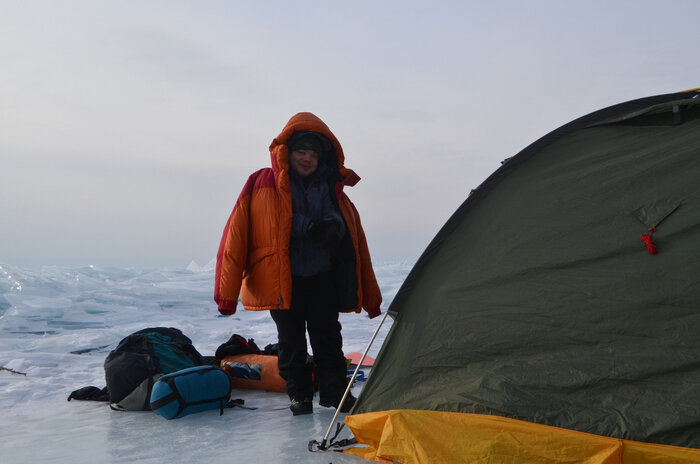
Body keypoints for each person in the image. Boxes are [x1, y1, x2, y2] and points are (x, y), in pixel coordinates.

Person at [214, 112, 382, 416]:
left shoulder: (333, 189)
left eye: (313, 153)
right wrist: (226, 295)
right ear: (286, 153)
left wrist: (332, 226)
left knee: (328, 339)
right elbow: (235, 237)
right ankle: (299, 396)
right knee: (290, 343)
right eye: (301, 151)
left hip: (323, 278)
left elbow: (356, 243)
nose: (307, 158)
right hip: (282, 279)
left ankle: (334, 395)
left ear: (323, 158)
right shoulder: (260, 182)